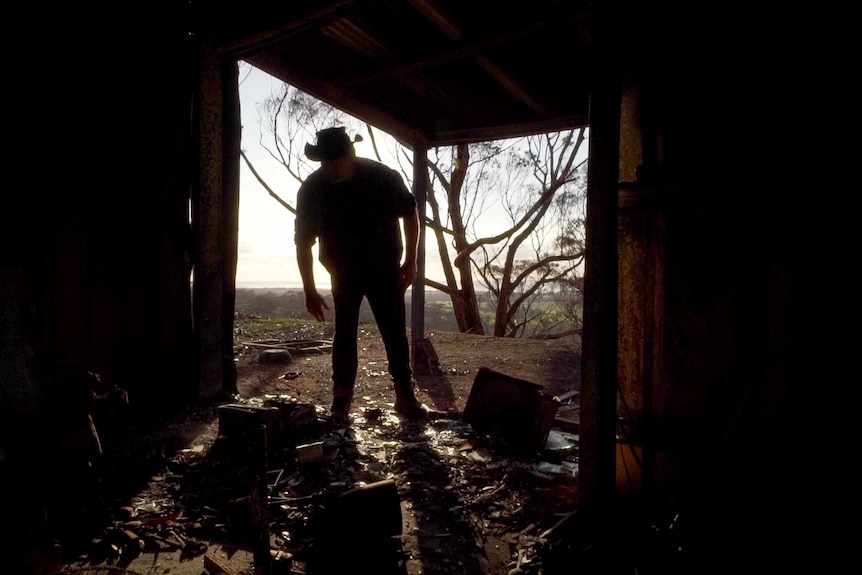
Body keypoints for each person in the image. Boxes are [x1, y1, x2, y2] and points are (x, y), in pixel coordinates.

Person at [294, 126, 428, 424]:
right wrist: (309, 289)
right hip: (343, 271)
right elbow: (303, 241)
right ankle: (341, 398)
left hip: (383, 268)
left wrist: (411, 261)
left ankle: (404, 395)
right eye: (325, 162)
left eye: (336, 161)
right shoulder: (314, 189)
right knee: (345, 333)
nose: (330, 168)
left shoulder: (382, 177)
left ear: (350, 156)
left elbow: (411, 213)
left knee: (394, 330)